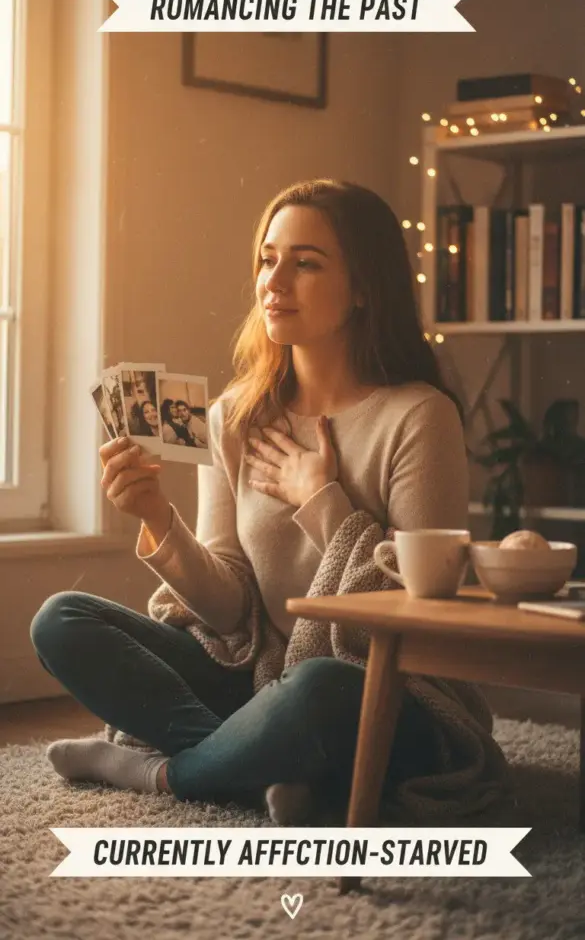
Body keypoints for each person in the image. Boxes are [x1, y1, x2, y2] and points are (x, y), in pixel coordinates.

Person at [30, 179, 469, 824]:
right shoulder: (234, 416)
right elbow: (231, 610)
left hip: (374, 689)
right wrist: (158, 519)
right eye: (268, 259)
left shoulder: (420, 417)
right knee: (61, 620)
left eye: (306, 263)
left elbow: (418, 608)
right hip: (259, 677)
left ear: (364, 288)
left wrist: (322, 502)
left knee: (316, 686)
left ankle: (163, 772)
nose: (274, 280)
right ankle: (259, 768)